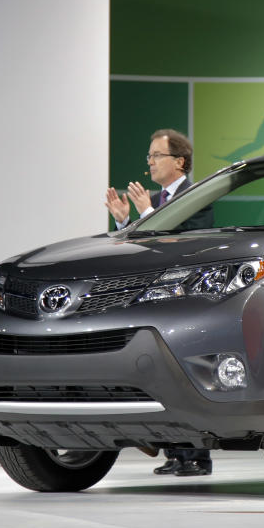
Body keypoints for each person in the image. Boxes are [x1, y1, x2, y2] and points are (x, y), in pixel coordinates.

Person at [103, 129, 214, 476]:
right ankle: (175, 454)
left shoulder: (197, 197)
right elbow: (143, 249)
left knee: (180, 372)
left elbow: (189, 242)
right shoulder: (153, 199)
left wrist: (149, 212)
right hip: (153, 295)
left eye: (156, 156)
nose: (149, 162)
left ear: (179, 162)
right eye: (149, 156)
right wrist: (125, 221)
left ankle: (196, 457)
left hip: (184, 298)